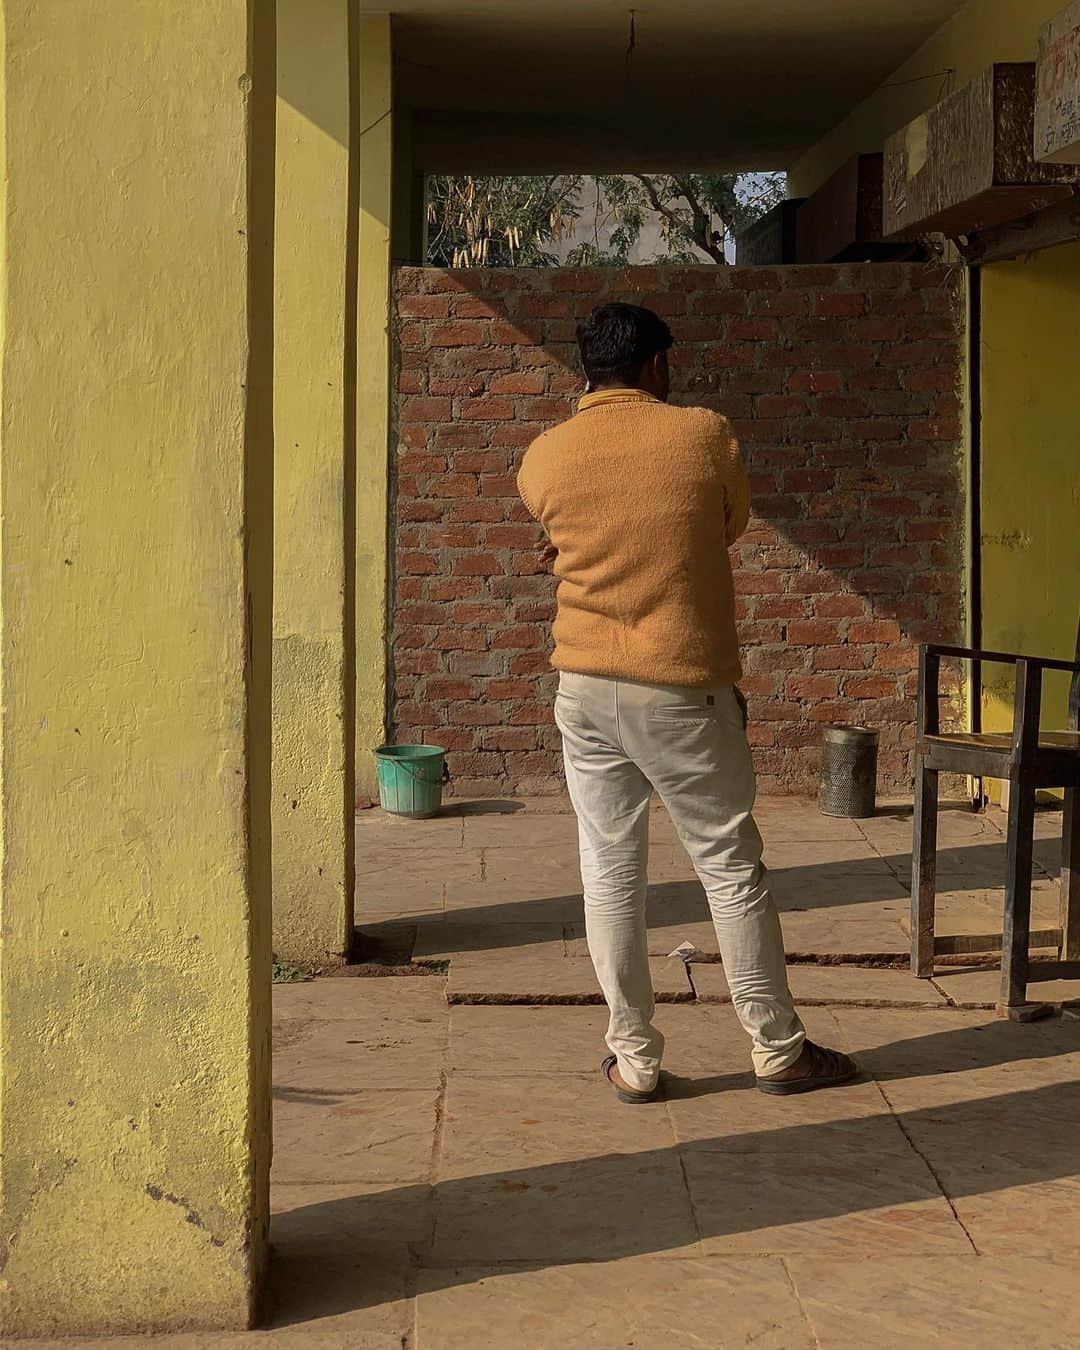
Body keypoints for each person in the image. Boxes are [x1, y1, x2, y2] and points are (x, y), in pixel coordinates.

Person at [517, 302, 857, 1103]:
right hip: (682, 690)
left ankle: (634, 1061)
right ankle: (777, 1049)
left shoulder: (544, 456)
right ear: (656, 365)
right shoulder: (703, 436)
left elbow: (559, 540)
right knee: (731, 870)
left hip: (586, 691)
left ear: (588, 370)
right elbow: (728, 522)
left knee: (608, 876)